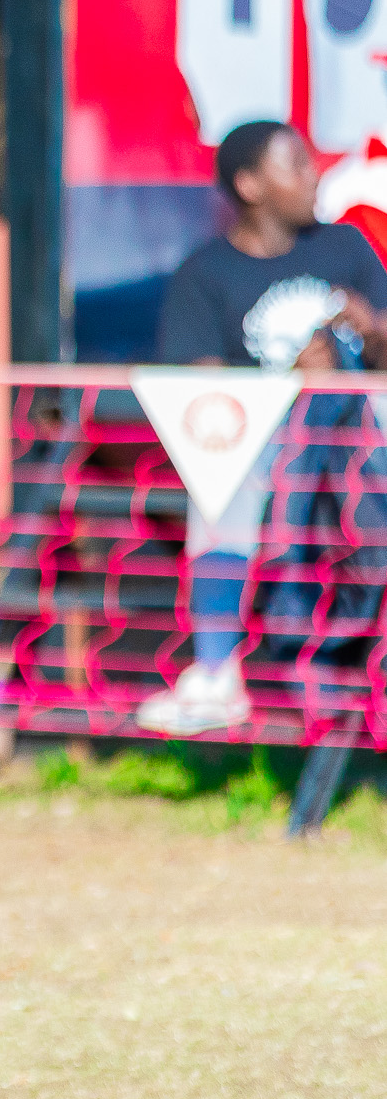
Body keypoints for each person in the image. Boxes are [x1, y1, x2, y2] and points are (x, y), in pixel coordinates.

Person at [138, 119, 387, 735]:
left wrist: (370, 330)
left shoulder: (346, 249)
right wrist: (293, 381)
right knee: (222, 476)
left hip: (362, 447)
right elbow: (203, 400)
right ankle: (217, 673)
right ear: (250, 184)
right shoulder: (206, 276)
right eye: (296, 164)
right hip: (275, 467)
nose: (313, 176)